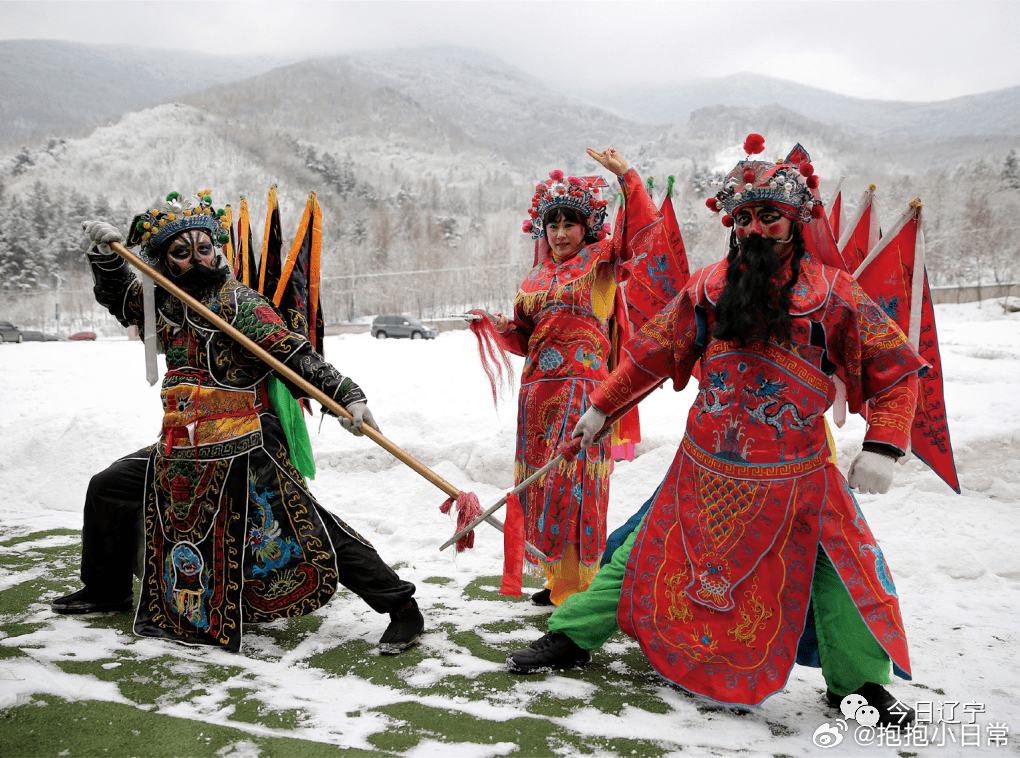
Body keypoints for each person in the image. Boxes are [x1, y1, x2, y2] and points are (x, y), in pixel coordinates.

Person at [506, 139, 925, 727]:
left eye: (768, 215)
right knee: (642, 552)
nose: (754, 228)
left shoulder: (835, 295)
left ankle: (859, 684)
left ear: (796, 221)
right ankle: (572, 635)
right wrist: (602, 407)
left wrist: (884, 444)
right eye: (744, 217)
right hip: (706, 463)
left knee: (845, 572)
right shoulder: (707, 287)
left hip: (799, 468)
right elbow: (650, 353)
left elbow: (897, 369)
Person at [51, 191, 424, 655]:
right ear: (166, 260)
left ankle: (401, 606)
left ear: (217, 248)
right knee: (109, 486)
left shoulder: (240, 303)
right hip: (182, 447)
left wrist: (347, 396)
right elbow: (122, 299)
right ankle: (105, 588)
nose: (197, 258)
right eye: (182, 253)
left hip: (245, 443)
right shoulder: (163, 300)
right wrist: (105, 259)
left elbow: (295, 354)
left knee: (308, 525)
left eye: (203, 248)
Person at [487, 148, 663, 607]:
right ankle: (554, 578)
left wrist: (627, 177)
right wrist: (496, 327)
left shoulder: (602, 262)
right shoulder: (535, 278)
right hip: (536, 396)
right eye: (553, 225)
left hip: (584, 393)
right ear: (542, 229)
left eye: (570, 224)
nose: (561, 233)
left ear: (587, 228)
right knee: (541, 486)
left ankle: (578, 587)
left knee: (575, 485)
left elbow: (643, 237)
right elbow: (527, 338)